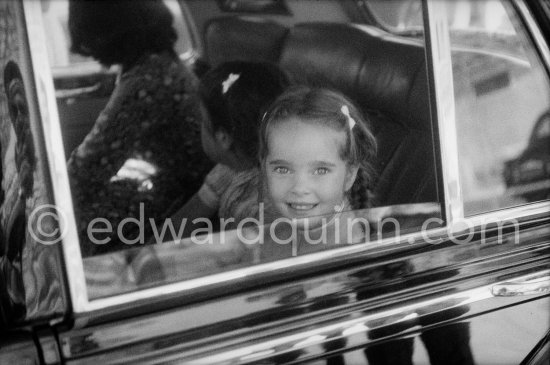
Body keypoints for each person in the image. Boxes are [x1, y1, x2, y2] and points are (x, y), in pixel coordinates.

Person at [67, 0, 211, 256]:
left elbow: (88, 168)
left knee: (65, 225)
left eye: (90, 34)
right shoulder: (153, 62)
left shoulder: (148, 79)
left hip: (175, 193)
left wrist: (46, 197)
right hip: (163, 180)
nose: (85, 47)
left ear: (112, 31)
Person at [167, 61, 289, 238]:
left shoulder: (261, 211)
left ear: (223, 138)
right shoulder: (232, 167)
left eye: (203, 120)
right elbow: (184, 221)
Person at [257, 87, 377, 260]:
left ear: (349, 175)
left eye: (320, 170)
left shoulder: (348, 255)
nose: (299, 188)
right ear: (264, 168)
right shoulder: (278, 227)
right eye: (282, 169)